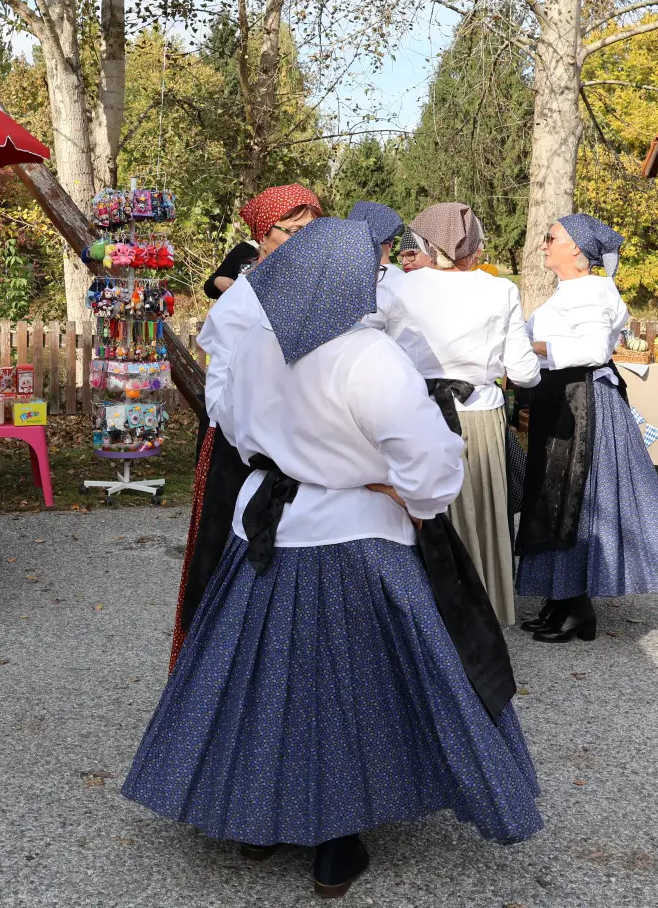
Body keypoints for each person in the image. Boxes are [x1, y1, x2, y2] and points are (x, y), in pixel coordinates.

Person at [124, 219, 542, 899]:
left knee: (262, 677)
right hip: (351, 534)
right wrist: (401, 490)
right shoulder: (366, 356)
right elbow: (433, 463)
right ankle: (335, 838)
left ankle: (259, 820)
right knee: (346, 689)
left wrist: (297, 455)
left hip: (264, 528)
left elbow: (227, 421)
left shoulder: (256, 341)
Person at [515, 214, 658, 642]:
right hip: (561, 401)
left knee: (579, 499)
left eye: (552, 237)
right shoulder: (569, 291)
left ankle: (576, 606)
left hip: (584, 406)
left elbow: (594, 349)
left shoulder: (595, 290)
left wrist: (528, 344)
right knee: (556, 498)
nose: (544, 244)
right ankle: (560, 599)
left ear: (576, 248)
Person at [170, 184, 321, 667]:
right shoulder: (242, 300)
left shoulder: (320, 290)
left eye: (311, 228)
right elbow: (223, 392)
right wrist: (258, 446)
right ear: (263, 235)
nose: (302, 239)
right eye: (291, 230)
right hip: (242, 447)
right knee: (224, 549)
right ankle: (214, 666)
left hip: (299, 442)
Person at [377, 202, 541, 624]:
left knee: (418, 510)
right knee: (481, 512)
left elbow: (366, 345)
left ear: (429, 243)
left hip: (416, 414)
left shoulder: (398, 287)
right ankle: (482, 607)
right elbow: (524, 373)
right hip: (479, 416)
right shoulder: (500, 289)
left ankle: (422, 612)